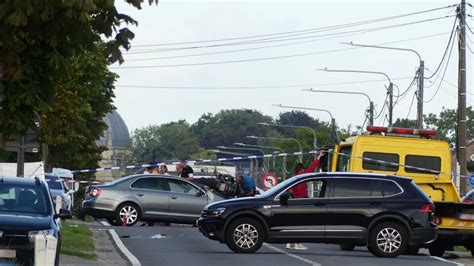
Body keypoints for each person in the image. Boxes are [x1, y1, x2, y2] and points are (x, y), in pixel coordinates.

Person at [286, 150, 326, 250]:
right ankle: (298, 243)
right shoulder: (301, 176)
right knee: (300, 223)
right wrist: (318, 158)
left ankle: (290, 243)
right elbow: (311, 169)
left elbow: (291, 191)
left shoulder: (294, 177)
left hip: (294, 202)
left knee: (294, 223)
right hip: (302, 201)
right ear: (301, 169)